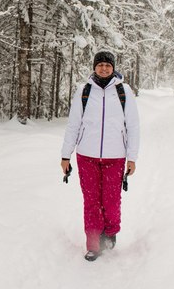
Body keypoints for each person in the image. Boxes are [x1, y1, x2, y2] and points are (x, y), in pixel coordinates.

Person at [60, 51, 140, 261]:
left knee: (111, 201)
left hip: (116, 156)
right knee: (92, 201)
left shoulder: (124, 92)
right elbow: (73, 125)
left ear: (113, 68)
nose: (104, 68)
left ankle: (110, 232)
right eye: (100, 65)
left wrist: (132, 158)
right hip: (86, 156)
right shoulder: (84, 91)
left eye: (107, 65)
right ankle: (93, 244)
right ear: (94, 67)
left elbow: (133, 126)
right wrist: (65, 155)